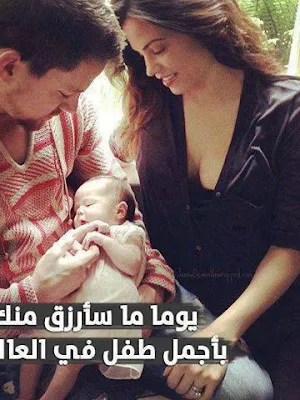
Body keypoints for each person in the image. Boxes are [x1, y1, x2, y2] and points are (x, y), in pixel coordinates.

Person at [0, 0, 176, 398]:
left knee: (244, 388)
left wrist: (150, 287)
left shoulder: (68, 113)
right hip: (22, 343)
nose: (73, 108)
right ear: (9, 67)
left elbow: (121, 209)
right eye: (65, 92)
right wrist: (31, 297)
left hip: (118, 293)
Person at [109, 0, 300, 399]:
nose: (150, 68)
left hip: (272, 312)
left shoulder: (288, 113)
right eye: (140, 55)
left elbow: (290, 246)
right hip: (179, 301)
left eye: (158, 48)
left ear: (202, 25)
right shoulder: (151, 107)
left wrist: (225, 330)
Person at [18, 175, 147, 400]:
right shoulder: (76, 236)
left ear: (119, 211)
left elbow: (133, 263)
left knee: (71, 360)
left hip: (103, 309)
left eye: (88, 204)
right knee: (33, 341)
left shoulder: (126, 232)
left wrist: (105, 241)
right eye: (76, 210)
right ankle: (24, 395)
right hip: (70, 303)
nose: (79, 213)